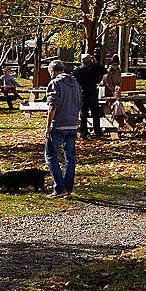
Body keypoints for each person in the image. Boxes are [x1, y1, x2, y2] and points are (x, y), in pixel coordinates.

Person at [44, 59, 82, 198]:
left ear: (52, 71)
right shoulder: (75, 83)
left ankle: (59, 188)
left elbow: (52, 106)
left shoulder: (55, 83)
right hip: (72, 123)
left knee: (51, 156)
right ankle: (68, 188)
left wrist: (48, 125)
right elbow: (79, 102)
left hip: (59, 124)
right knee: (70, 158)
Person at [73, 53, 108, 138]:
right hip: (92, 93)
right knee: (95, 114)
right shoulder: (93, 69)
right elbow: (104, 71)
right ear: (90, 61)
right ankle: (97, 132)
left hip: (82, 94)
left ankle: (83, 133)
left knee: (83, 115)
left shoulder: (77, 71)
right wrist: (96, 63)